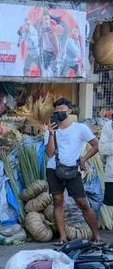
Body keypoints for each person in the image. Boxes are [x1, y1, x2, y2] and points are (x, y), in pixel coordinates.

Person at [44, 97, 103, 246]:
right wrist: (51, 134)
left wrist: (83, 159)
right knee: (58, 202)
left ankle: (96, 236)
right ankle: (62, 237)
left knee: (82, 203)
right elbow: (49, 154)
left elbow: (96, 145)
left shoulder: (80, 128)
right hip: (54, 169)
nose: (59, 113)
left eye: (62, 110)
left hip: (72, 170)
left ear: (69, 111)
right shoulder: (51, 129)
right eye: (56, 110)